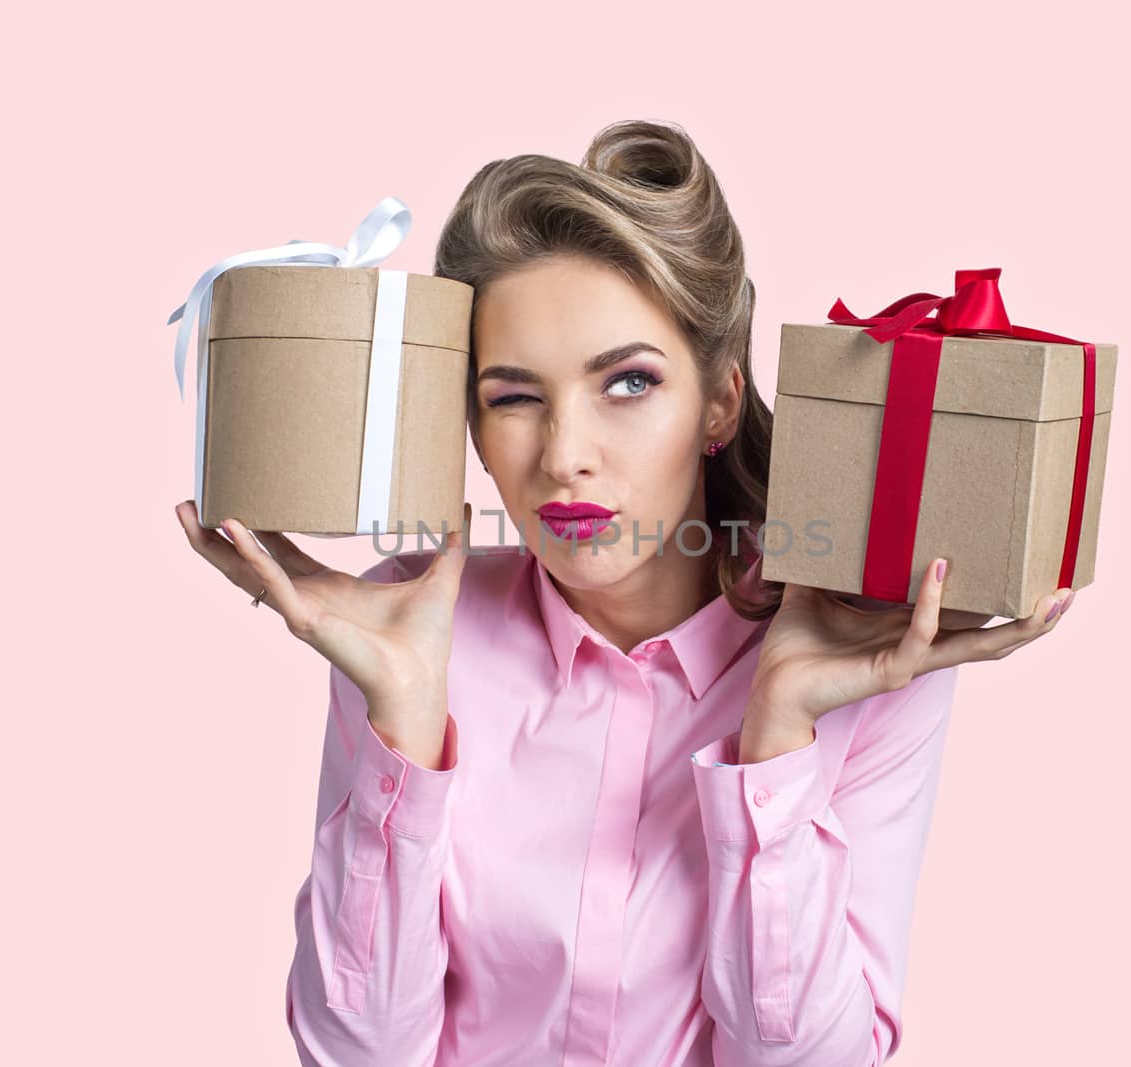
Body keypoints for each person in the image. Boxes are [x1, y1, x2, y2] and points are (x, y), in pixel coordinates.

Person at [176, 119, 1076, 1067]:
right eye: (513, 395)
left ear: (720, 400)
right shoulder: (411, 627)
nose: (564, 455)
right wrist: (402, 720)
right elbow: (352, 1052)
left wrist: (775, 739)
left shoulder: (864, 661)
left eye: (629, 382)